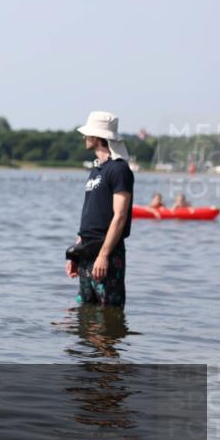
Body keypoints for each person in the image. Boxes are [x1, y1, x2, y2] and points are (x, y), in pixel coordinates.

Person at [65, 112, 134, 308]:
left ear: (97, 137)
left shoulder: (119, 170)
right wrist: (76, 254)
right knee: (84, 312)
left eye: (87, 134)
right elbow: (90, 214)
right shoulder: (96, 170)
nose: (84, 138)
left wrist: (103, 256)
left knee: (108, 311)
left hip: (107, 251)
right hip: (86, 251)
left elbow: (120, 216)